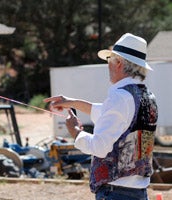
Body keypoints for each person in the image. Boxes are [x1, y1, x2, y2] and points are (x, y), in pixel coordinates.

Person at [44, 33, 158, 200]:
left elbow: (99, 147)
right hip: (138, 192)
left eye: (109, 60)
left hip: (116, 192)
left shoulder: (119, 97)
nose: (108, 66)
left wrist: (75, 132)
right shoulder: (147, 97)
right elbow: (109, 113)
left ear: (118, 63)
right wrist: (72, 102)